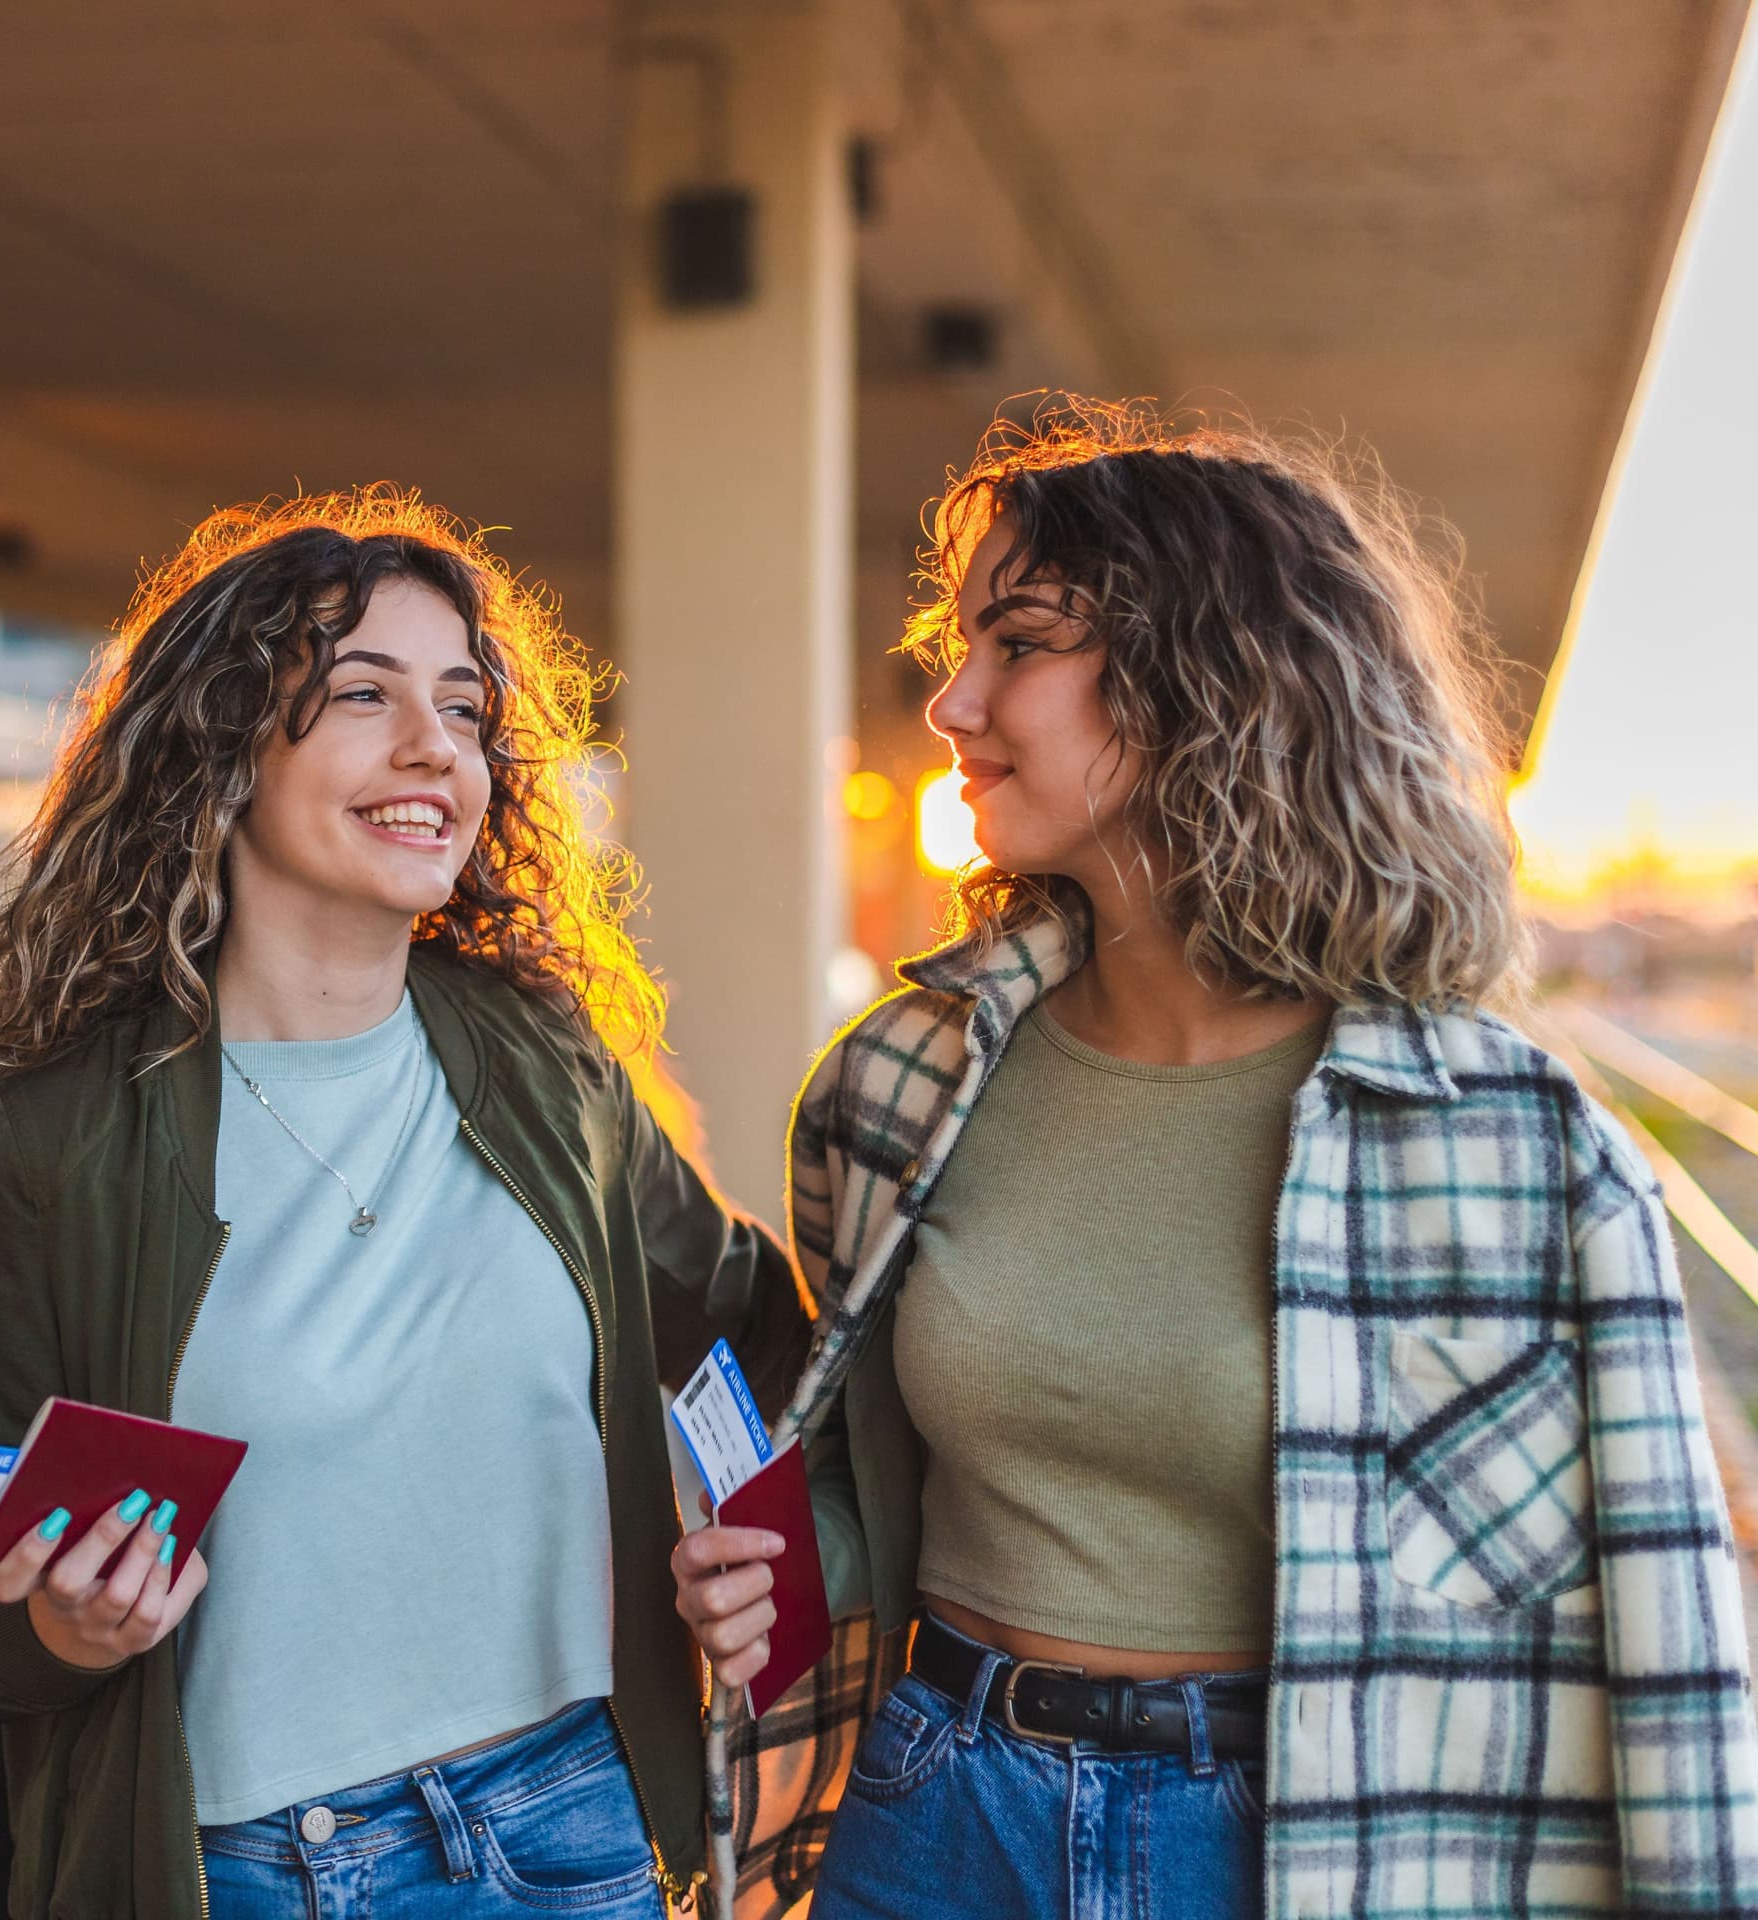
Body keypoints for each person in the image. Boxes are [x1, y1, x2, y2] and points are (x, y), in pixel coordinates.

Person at [673, 400, 1758, 1918]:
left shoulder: (1511, 1148)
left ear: (1212, 682)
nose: (952, 702)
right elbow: (873, 1481)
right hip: (934, 1814)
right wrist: (779, 1576)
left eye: (1021, 643)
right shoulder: (898, 1089)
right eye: (960, 646)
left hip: (1313, 1853)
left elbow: (1666, 1638)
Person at [0, 489, 810, 1919]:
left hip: (579, 1829)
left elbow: (756, 1331)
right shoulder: (49, 1147)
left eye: (462, 705)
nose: (434, 745)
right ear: (221, 749)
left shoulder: (545, 1062)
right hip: (250, 1867)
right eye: (363, 694)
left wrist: (752, 1548)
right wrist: (62, 1630)